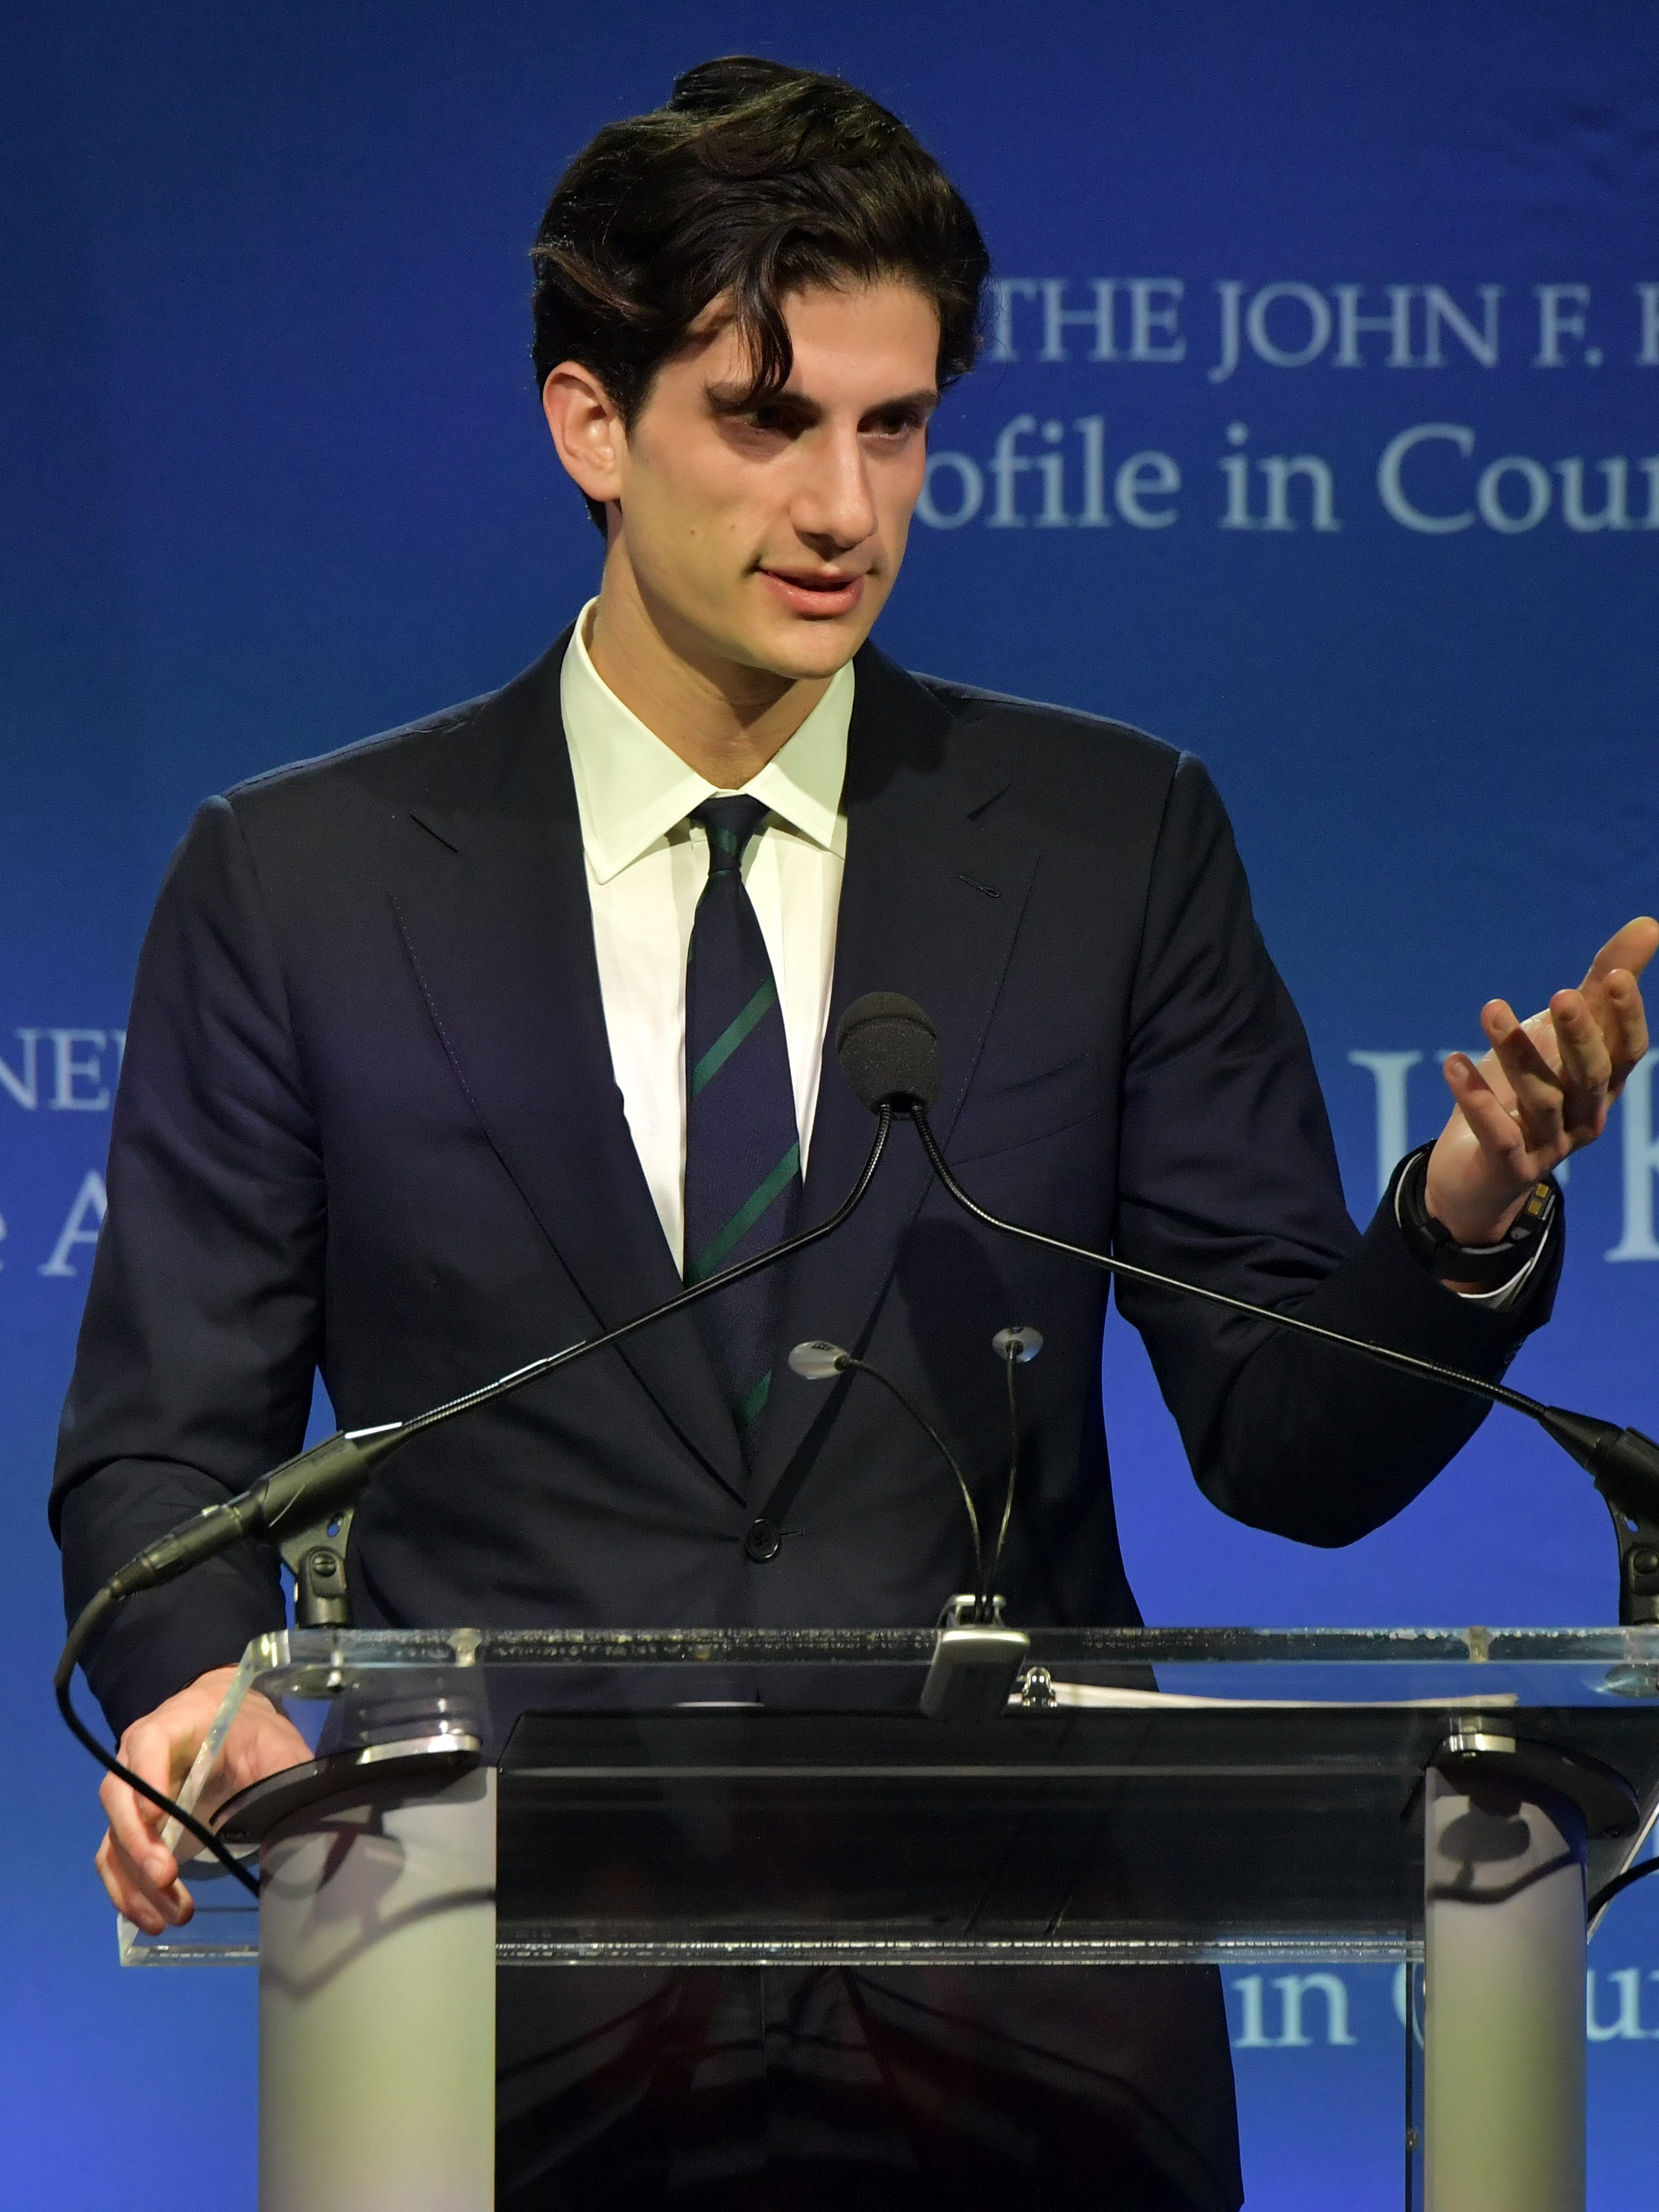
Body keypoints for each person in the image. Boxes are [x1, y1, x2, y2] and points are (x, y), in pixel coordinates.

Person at [53, 54, 1653, 2212]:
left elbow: (1291, 1449)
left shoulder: (1107, 842)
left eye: (895, 429)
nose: (846, 510)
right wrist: (194, 1690)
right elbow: (167, 1453)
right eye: (770, 420)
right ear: (589, 425)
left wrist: (1462, 1223)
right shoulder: (304, 883)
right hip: (495, 2037)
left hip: (1030, 2053)